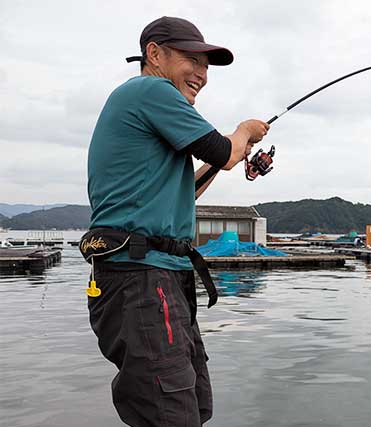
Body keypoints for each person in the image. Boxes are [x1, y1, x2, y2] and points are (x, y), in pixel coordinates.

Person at [84, 16, 268, 426]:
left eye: (207, 66)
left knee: (193, 407)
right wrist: (243, 132)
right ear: (154, 54)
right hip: (143, 281)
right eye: (192, 59)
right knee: (171, 414)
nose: (202, 74)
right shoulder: (150, 89)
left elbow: (191, 184)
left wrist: (232, 154)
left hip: (160, 279)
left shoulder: (148, 112)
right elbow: (221, 150)